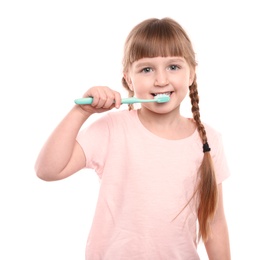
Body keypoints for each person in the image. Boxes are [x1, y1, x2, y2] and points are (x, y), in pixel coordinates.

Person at [35, 17, 231, 259]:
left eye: (173, 67)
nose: (161, 80)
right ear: (128, 78)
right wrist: (81, 112)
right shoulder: (112, 129)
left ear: (191, 74)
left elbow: (214, 222)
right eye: (147, 69)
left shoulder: (209, 140)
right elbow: (48, 170)